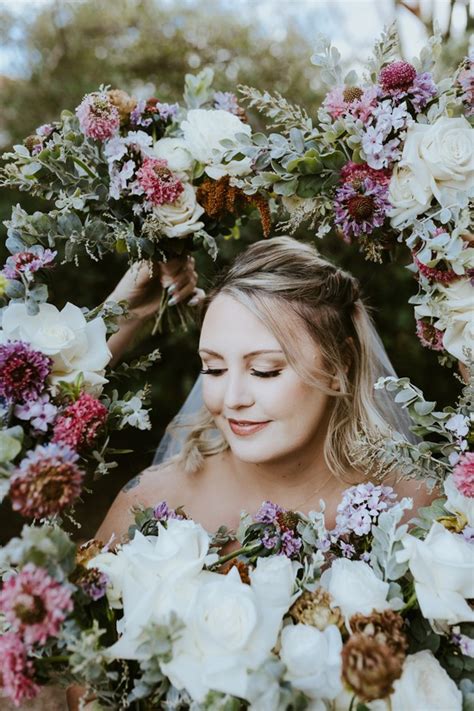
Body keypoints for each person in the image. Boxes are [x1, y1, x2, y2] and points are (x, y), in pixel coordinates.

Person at [67, 236, 437, 710]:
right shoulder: (152, 503)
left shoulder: (415, 508)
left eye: (264, 371)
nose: (231, 398)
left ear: (342, 361)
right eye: (214, 369)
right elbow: (81, 677)